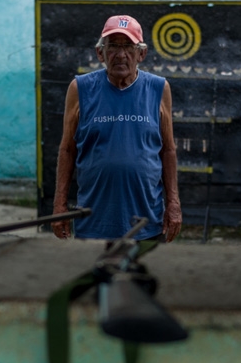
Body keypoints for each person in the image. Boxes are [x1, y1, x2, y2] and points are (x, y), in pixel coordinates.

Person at [52, 15, 182, 242]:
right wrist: (60, 204)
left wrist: (173, 204)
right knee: (98, 277)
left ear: (141, 53)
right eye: (113, 46)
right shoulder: (80, 89)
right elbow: (67, 150)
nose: (121, 55)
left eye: (128, 47)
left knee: (141, 277)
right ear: (100, 53)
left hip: (146, 223)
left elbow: (168, 150)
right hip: (93, 222)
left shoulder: (159, 89)